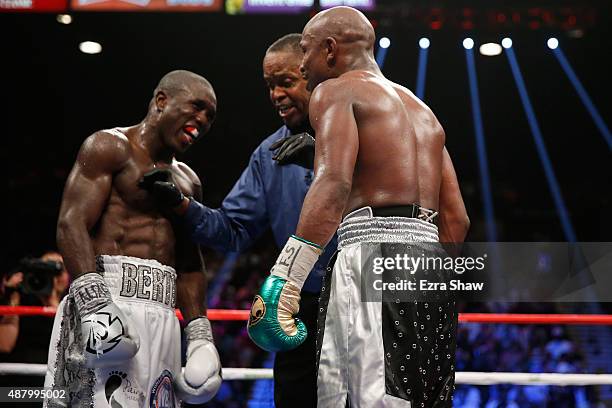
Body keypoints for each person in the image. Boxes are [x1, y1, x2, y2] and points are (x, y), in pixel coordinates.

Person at [247, 6, 470, 408]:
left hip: (370, 257)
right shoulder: (424, 114)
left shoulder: (336, 91)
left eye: (305, 51)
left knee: (361, 397)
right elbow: (456, 220)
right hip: (430, 265)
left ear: (330, 49)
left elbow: (333, 184)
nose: (302, 64)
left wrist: (287, 279)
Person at [139, 34, 335, 407]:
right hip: (300, 301)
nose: (276, 95)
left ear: (313, 75)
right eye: (269, 85)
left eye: (286, 82)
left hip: (363, 296)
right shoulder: (269, 154)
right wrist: (181, 204)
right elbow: (233, 230)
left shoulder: (366, 130)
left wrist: (328, 150)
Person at [44, 70, 222, 408]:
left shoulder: (189, 182)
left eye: (210, 116)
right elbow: (71, 224)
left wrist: (199, 334)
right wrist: (95, 305)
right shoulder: (109, 147)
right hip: (106, 302)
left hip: (162, 316)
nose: (202, 120)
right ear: (161, 101)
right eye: (197, 107)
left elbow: (188, 261)